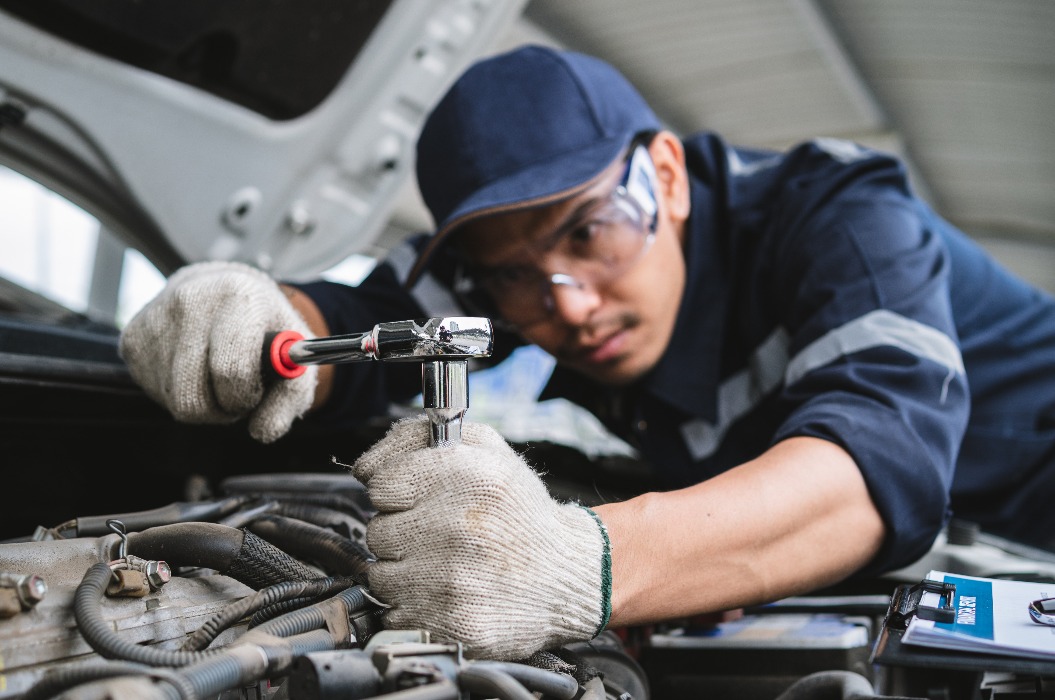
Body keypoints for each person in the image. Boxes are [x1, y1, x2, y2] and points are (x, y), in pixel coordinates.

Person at [119, 44, 1055, 662]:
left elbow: (875, 466)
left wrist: (583, 564)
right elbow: (370, 320)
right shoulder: (505, 285)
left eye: (588, 231)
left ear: (666, 176)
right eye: (513, 275)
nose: (564, 301)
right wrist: (257, 313)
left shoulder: (843, 220)